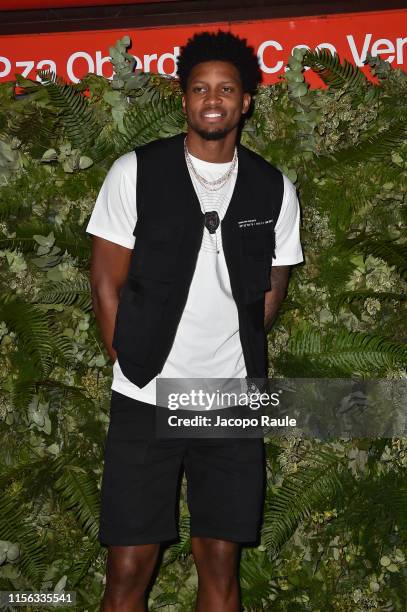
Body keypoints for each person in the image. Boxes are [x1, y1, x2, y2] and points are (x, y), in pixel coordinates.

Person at [86, 30, 303, 612]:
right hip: (144, 395)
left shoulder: (274, 188)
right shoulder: (134, 172)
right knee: (129, 568)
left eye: (227, 88)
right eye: (200, 88)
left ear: (246, 100)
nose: (214, 99)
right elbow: (105, 281)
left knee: (220, 562)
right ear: (183, 99)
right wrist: (128, 361)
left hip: (228, 401)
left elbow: (272, 286)